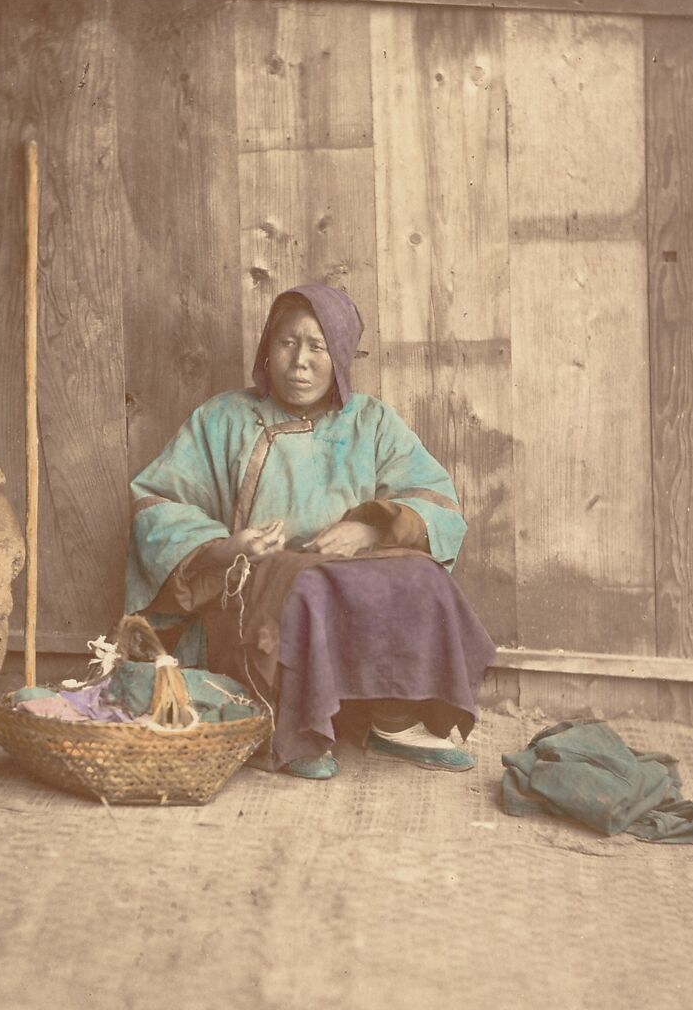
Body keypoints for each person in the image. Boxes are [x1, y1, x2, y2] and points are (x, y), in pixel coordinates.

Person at [125, 284, 495, 779]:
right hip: (256, 583)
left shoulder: (372, 421)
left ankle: (394, 719)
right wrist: (224, 545)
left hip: (350, 570)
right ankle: (291, 727)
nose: (300, 362)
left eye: (317, 347)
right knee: (306, 586)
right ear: (267, 348)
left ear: (339, 357)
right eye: (287, 343)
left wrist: (367, 528)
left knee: (421, 577)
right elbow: (156, 502)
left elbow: (436, 502)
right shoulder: (224, 418)